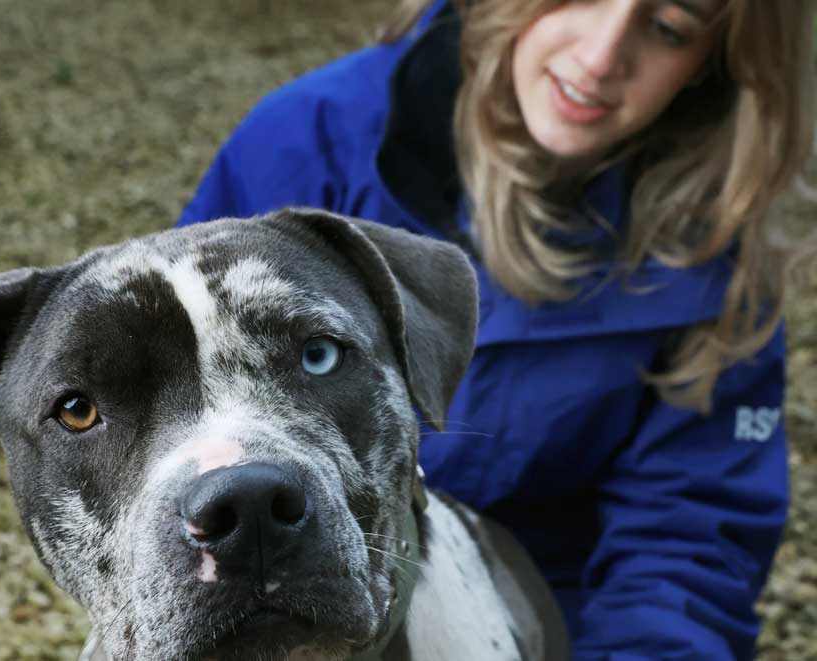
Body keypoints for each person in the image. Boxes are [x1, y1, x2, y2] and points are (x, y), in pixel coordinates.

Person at [177, 0, 816, 657]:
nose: (599, 60)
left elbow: (688, 546)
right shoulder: (310, 142)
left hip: (554, 622)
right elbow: (175, 418)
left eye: (668, 28)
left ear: (717, 61)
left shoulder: (718, 253)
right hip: (296, 585)